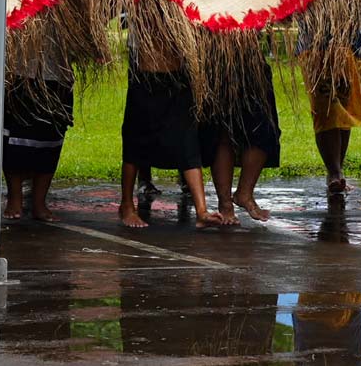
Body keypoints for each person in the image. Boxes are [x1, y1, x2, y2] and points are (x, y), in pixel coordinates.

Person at [118, 30, 222, 230]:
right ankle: (127, 205)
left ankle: (202, 211)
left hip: (180, 77)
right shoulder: (141, 3)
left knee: (187, 140)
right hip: (145, 77)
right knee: (135, 140)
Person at [201, 52, 282, 224]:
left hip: (251, 58)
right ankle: (225, 203)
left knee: (265, 129)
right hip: (216, 58)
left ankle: (244, 193)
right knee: (221, 130)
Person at [2, 41, 75, 222]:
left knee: (51, 137)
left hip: (58, 74)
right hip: (20, 71)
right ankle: (15, 199)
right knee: (15, 137)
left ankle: (39, 202)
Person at [299, 30, 361, 197]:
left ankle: (337, 170)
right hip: (317, 43)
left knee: (346, 108)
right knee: (326, 108)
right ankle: (334, 171)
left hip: (353, 42)